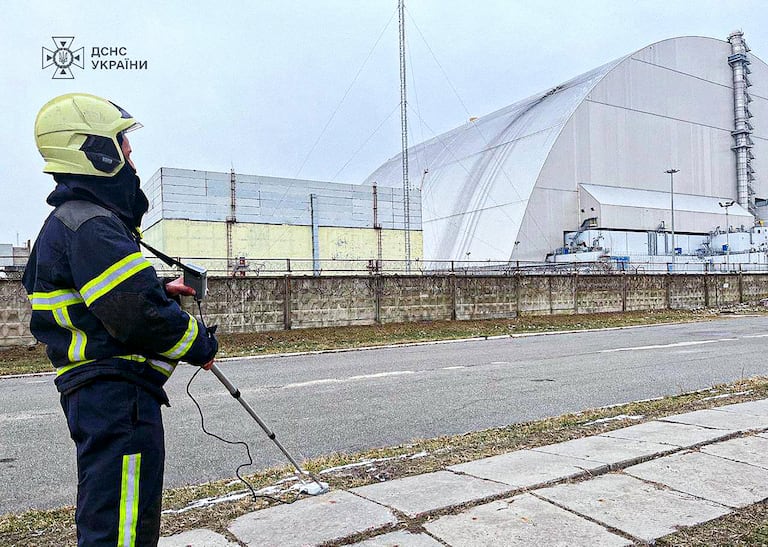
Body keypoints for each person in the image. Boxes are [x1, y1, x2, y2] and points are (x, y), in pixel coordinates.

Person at [23, 93, 218, 546]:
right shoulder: (92, 226)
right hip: (116, 395)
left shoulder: (72, 222)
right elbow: (136, 317)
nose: (131, 154)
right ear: (93, 150)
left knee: (110, 509)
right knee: (122, 523)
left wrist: (157, 291)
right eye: (122, 144)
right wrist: (200, 344)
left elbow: (106, 302)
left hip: (100, 395)